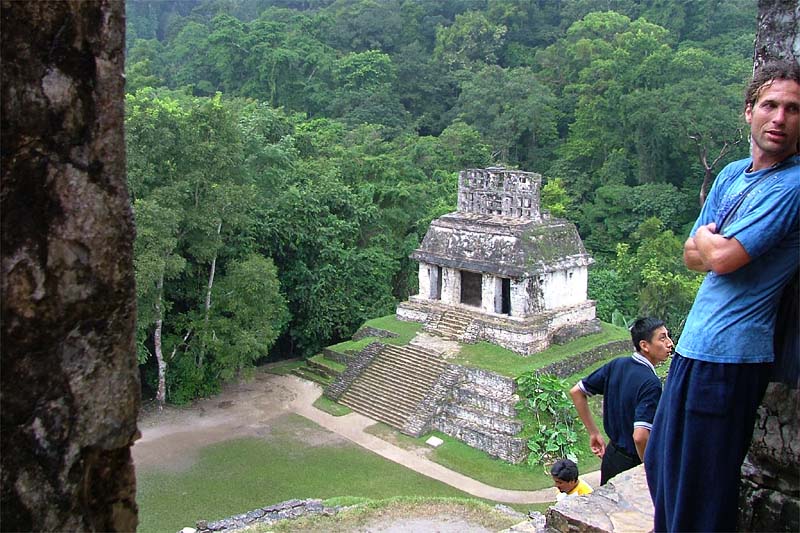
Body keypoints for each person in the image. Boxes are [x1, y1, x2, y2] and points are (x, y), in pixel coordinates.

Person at [644, 61, 800, 533]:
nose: (779, 118)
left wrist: (714, 245)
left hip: (733, 357)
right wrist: (715, 248)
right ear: (748, 111)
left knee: (701, 488)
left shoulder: (792, 185)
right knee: (663, 468)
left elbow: (722, 258)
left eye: (793, 109)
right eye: (770, 105)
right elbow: (690, 255)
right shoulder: (733, 173)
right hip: (694, 349)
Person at [569, 317, 673, 486]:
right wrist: (650, 469)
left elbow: (577, 391)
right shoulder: (650, 383)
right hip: (632, 464)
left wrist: (594, 433)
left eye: (668, 336)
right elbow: (640, 436)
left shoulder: (618, 365)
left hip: (611, 457)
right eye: (662, 338)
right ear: (644, 345)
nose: (670, 343)